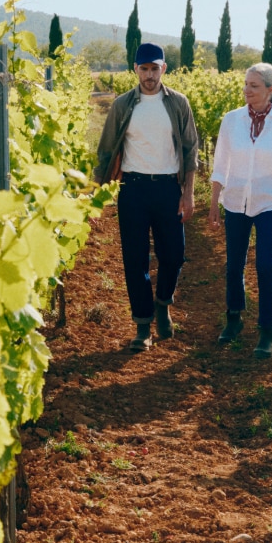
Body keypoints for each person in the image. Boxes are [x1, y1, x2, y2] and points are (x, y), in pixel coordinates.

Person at [93, 42, 199, 350]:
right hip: (133, 189)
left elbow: (191, 151)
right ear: (135, 70)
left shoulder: (178, 103)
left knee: (175, 254)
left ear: (164, 69)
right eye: (144, 69)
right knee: (134, 259)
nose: (149, 75)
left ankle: (163, 304)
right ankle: (143, 326)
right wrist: (95, 198)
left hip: (168, 188)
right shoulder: (123, 105)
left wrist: (188, 194)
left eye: (155, 68)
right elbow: (105, 151)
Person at [208, 61, 272, 358]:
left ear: (270, 90)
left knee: (265, 264)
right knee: (234, 263)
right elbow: (220, 164)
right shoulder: (231, 120)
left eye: (254, 86)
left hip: (270, 201)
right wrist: (213, 203)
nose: (247, 90)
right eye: (246, 84)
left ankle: (267, 331)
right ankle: (233, 318)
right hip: (235, 200)